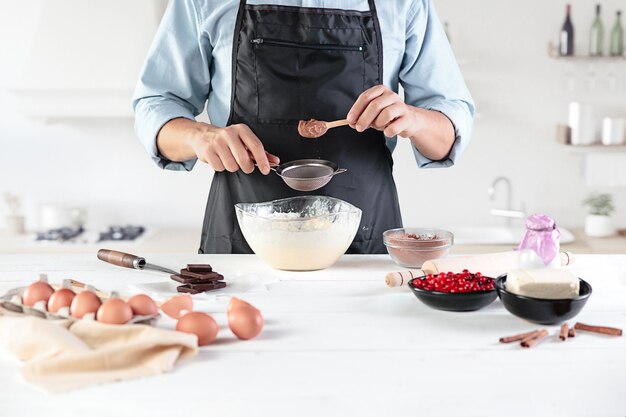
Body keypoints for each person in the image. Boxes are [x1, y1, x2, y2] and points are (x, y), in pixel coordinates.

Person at [133, 0, 474, 254]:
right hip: (244, 245)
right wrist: (198, 136)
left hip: (362, 243)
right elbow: (155, 104)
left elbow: (447, 133)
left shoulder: (402, 4)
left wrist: (414, 119)